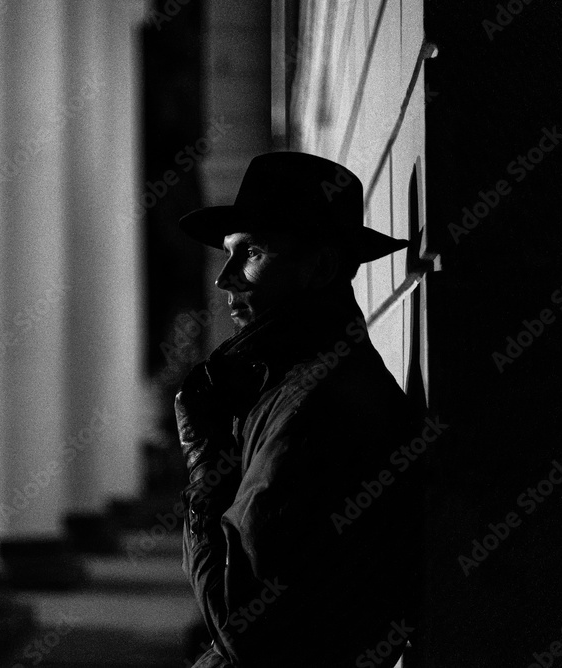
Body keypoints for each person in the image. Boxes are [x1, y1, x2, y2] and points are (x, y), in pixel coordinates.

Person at [175, 152, 425, 667]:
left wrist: (205, 463)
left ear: (321, 267)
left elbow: (244, 634)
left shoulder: (316, 408)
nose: (225, 281)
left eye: (251, 253)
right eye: (228, 254)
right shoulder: (299, 385)